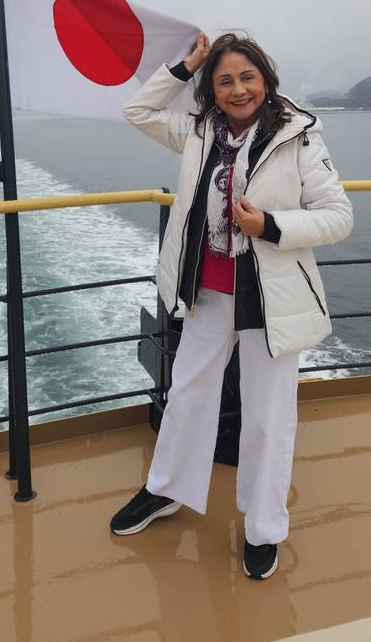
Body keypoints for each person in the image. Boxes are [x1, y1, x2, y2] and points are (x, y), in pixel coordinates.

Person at [110, 32, 354, 580]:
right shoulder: (198, 132)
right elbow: (136, 109)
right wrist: (184, 66)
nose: (238, 89)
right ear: (212, 90)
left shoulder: (300, 137)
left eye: (247, 77)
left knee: (269, 418)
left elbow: (338, 217)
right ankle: (165, 489)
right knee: (187, 394)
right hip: (207, 294)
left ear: (266, 79)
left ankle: (264, 528)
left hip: (270, 300)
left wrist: (269, 226)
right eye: (224, 80)